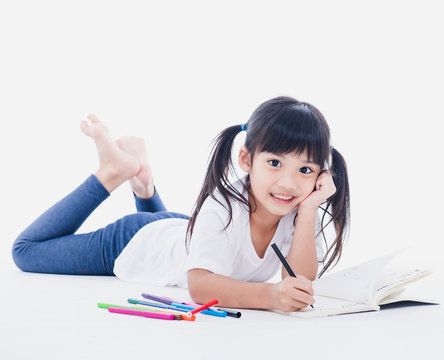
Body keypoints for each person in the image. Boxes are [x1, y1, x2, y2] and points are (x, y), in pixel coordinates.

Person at [12, 96, 350, 313]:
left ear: (322, 174)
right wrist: (271, 297)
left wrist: (308, 211)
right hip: (135, 241)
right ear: (246, 160)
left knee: (178, 237)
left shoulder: (301, 206)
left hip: (181, 230)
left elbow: (302, 281)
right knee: (25, 251)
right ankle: (112, 173)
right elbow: (201, 286)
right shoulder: (221, 206)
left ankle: (143, 184)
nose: (289, 183)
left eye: (305, 170)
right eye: (275, 163)